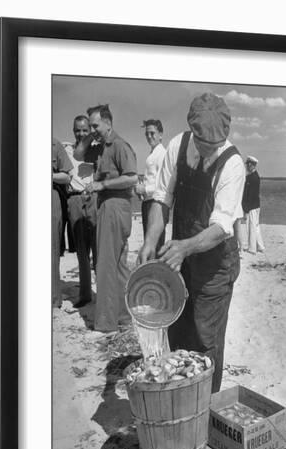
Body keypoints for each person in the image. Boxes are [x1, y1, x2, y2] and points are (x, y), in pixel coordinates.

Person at [138, 93, 245, 392]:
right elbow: (161, 199)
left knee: (205, 339)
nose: (209, 151)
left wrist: (184, 247)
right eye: (203, 144)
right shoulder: (177, 145)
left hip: (215, 266)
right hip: (181, 259)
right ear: (193, 133)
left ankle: (205, 407)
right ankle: (182, 400)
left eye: (215, 146)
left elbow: (222, 227)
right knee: (180, 331)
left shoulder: (233, 164)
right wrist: (150, 240)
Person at [76, 104, 138, 333]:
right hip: (109, 207)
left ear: (109, 123)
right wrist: (88, 136)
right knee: (120, 266)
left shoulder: (119, 146)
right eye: (90, 125)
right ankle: (123, 317)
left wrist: (102, 184)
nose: (92, 129)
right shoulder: (99, 147)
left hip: (115, 206)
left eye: (95, 125)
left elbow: (131, 178)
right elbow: (78, 155)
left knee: (104, 265)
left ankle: (105, 322)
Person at [65, 116, 102, 308]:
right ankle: (85, 294)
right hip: (74, 200)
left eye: (84, 130)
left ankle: (102, 294)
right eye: (77, 130)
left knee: (98, 249)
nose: (81, 134)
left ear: (90, 131)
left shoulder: (96, 150)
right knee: (81, 251)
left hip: (93, 199)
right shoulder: (67, 150)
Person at [134, 119, 166, 252]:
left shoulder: (162, 154)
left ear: (161, 134)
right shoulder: (152, 153)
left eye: (152, 133)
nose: (149, 136)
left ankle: (156, 270)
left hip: (156, 203)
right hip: (148, 202)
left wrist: (144, 189)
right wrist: (141, 192)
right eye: (147, 134)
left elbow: (164, 184)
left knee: (155, 243)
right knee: (149, 242)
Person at [52, 137, 73, 308]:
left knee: (51, 251)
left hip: (51, 197)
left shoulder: (54, 144)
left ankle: (53, 299)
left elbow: (67, 176)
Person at [241, 155, 265, 254]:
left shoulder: (253, 178)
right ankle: (260, 246)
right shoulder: (252, 177)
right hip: (254, 205)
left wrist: (246, 208)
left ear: (252, 165)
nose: (246, 166)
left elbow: (251, 195)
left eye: (248, 164)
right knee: (255, 226)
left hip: (252, 206)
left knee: (251, 226)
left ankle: (252, 248)